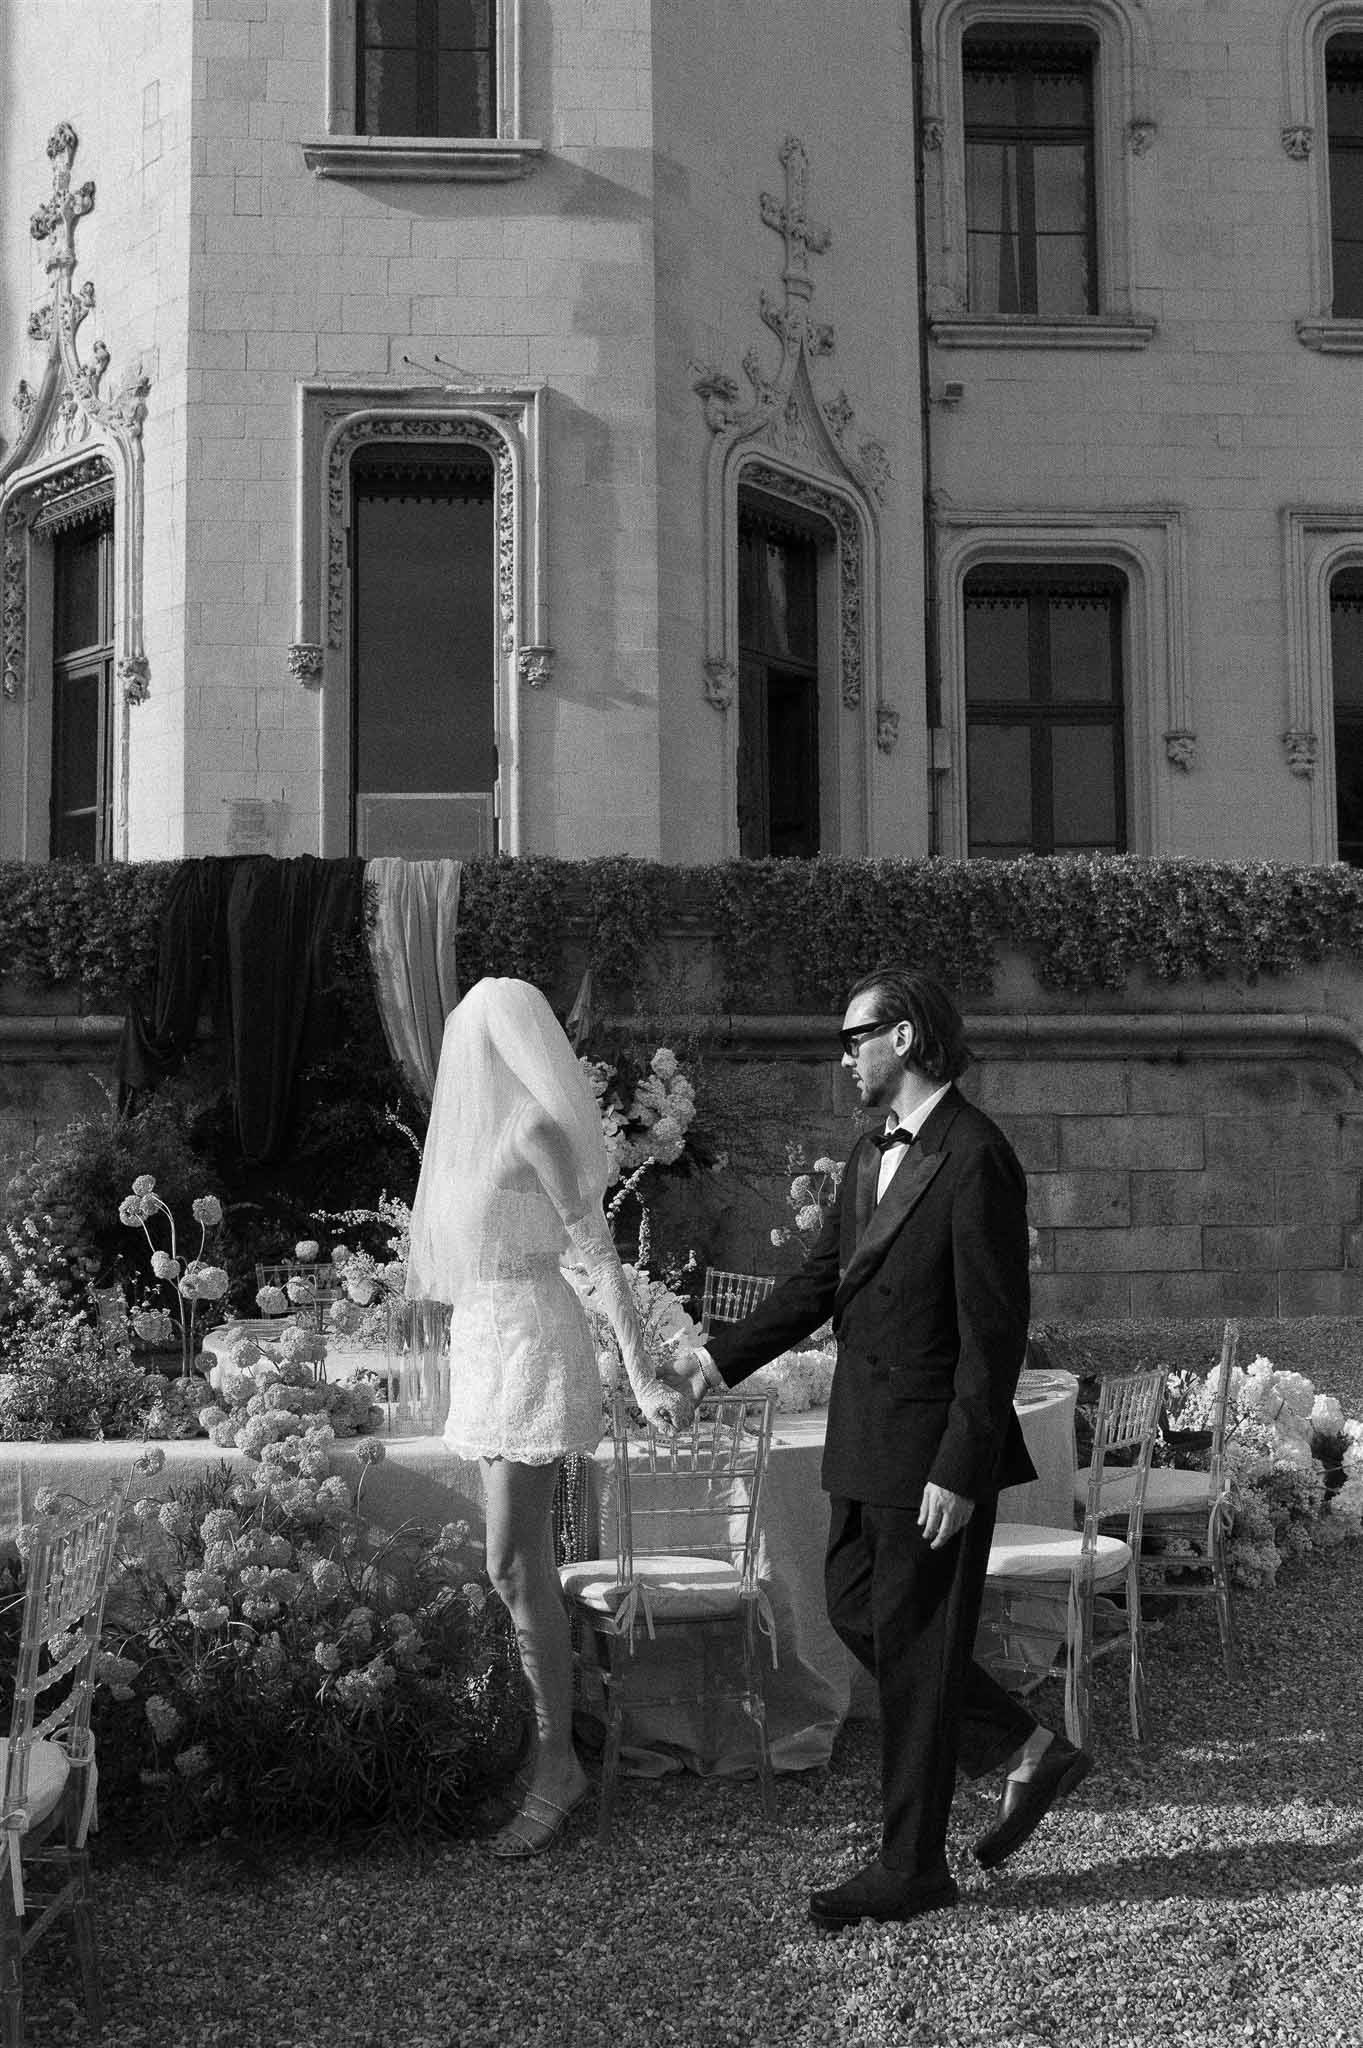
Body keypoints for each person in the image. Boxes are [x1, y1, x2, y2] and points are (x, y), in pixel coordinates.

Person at [667, 966, 1092, 1928]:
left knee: (916, 1642)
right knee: (861, 1614)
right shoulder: (868, 1154)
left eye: (853, 1036)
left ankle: (912, 1866)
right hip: (865, 1436)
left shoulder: (976, 1155)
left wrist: (961, 1459)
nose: (842, 1055)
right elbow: (819, 1284)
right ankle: (1026, 1751)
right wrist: (709, 1363)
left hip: (929, 1449)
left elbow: (994, 1330)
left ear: (902, 1038)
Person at [405, 976, 689, 1857]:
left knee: (510, 1561)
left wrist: (641, 1377)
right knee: (516, 1566)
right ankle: (552, 1746)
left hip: (532, 1337)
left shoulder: (532, 1126)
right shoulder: (466, 1138)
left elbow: (595, 1250)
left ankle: (554, 1761)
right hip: (486, 1342)